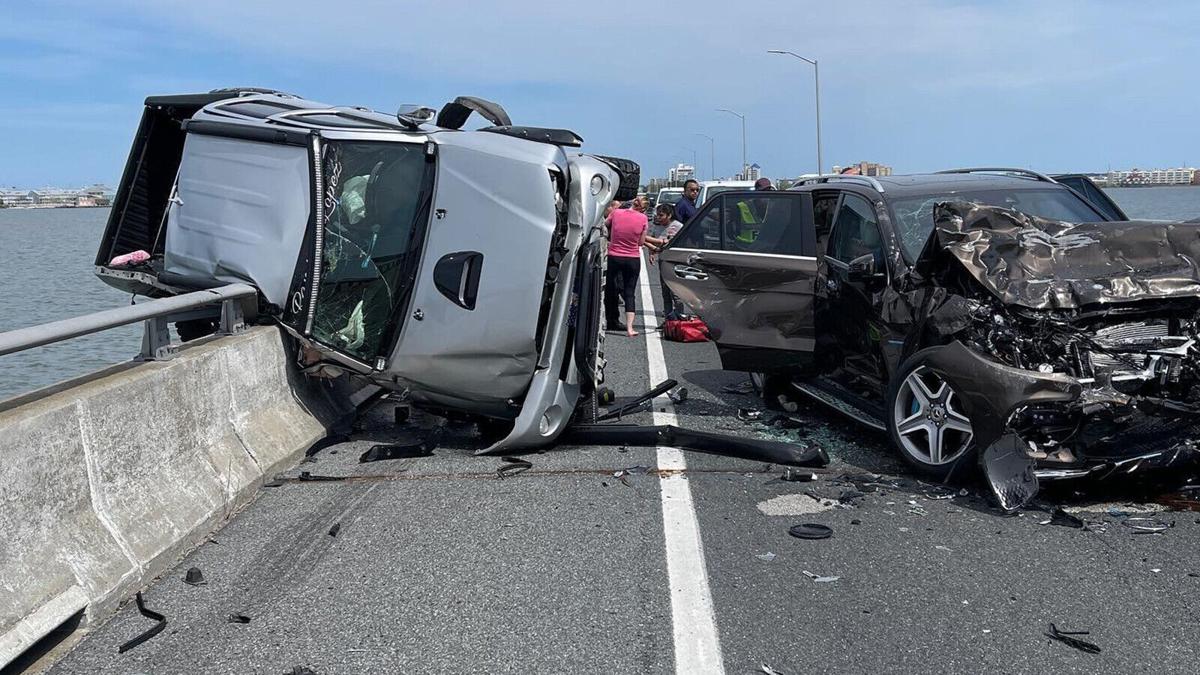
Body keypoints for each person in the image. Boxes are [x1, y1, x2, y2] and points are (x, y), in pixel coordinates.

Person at [605, 198, 651, 336]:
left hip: (614, 256)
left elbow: (606, 224)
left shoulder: (617, 213)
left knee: (610, 289)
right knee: (629, 292)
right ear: (643, 209)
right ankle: (630, 328)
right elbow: (641, 242)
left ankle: (610, 320)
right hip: (632, 258)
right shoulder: (643, 218)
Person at [646, 204, 685, 319]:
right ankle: (668, 319)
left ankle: (679, 316)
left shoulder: (678, 226)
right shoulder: (656, 226)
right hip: (663, 261)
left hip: (675, 262)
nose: (658, 217)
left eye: (661, 215)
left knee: (676, 291)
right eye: (657, 215)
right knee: (665, 291)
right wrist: (651, 252)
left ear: (669, 215)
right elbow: (652, 241)